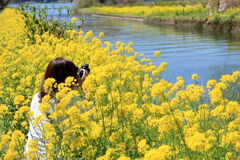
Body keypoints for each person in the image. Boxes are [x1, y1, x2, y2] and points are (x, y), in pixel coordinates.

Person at [25, 57, 88, 159]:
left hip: (32, 154)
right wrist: (83, 87)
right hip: (54, 156)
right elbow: (91, 118)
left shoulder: (36, 97)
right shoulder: (71, 100)